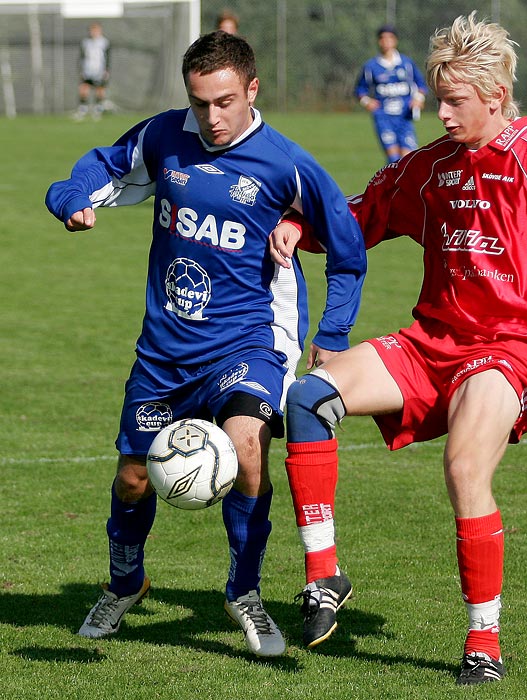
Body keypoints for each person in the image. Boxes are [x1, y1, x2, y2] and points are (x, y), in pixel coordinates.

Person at [271, 13, 527, 684]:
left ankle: (483, 642)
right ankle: (323, 575)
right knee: (307, 396)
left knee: (464, 470)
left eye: (453, 101)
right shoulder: (429, 167)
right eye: (436, 98)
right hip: (427, 343)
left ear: (494, 98)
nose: (437, 112)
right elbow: (358, 219)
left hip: (502, 352)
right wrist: (300, 227)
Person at [45, 31, 366, 657]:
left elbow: (348, 252)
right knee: (135, 480)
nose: (212, 118)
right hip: (163, 350)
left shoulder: (287, 164)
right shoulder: (164, 136)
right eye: (200, 104)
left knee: (249, 454)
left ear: (252, 90)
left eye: (224, 102)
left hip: (247, 341)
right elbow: (98, 164)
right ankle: (125, 584)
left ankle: (243, 592)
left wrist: (332, 334)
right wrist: (71, 199)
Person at [354, 24, 428, 163]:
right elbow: (359, 90)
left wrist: (418, 98)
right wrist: (366, 101)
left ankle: (404, 185)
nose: (386, 41)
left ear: (395, 40)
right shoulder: (371, 66)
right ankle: (393, 185)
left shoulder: (406, 63)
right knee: (394, 159)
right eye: (382, 38)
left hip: (404, 117)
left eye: (390, 38)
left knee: (409, 160)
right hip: (383, 118)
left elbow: (421, 85)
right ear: (378, 41)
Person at [74, 22, 111, 121]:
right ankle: (83, 109)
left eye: (96, 30)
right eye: (92, 30)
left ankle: (98, 110)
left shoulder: (104, 42)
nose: (94, 32)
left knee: (100, 90)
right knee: (83, 88)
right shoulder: (86, 42)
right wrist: (81, 69)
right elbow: (82, 56)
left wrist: (107, 69)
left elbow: (108, 56)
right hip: (88, 69)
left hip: (99, 70)